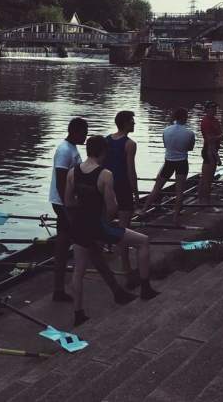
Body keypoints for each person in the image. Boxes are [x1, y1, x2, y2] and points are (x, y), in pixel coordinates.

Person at [65, 135, 157, 326]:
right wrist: (103, 221)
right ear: (102, 152)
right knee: (143, 241)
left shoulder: (72, 172)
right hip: (97, 226)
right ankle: (146, 289)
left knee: (78, 272)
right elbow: (112, 208)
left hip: (78, 227)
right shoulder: (105, 174)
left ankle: (78, 314)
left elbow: (68, 202)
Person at [49, 117, 88, 302]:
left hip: (67, 203)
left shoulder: (72, 148)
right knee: (66, 245)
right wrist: (68, 208)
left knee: (63, 246)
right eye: (84, 132)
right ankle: (59, 289)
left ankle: (58, 290)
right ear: (74, 131)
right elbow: (61, 182)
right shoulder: (64, 150)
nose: (86, 136)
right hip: (62, 203)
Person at [141, 107, 195, 225]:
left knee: (157, 188)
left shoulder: (166, 130)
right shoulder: (190, 133)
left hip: (168, 162)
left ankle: (143, 210)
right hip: (182, 163)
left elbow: (166, 145)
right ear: (184, 118)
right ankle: (175, 218)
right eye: (187, 117)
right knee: (180, 191)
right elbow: (190, 148)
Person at [104, 110, 140, 275]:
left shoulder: (106, 140)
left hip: (107, 187)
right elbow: (131, 171)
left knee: (103, 224)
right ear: (125, 123)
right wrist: (136, 192)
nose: (134, 124)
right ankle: (126, 268)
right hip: (123, 188)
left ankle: (100, 256)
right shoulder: (130, 144)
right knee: (125, 229)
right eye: (132, 121)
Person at [198, 101, 223, 205]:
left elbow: (219, 132)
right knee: (207, 179)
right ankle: (205, 202)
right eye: (212, 109)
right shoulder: (206, 121)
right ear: (207, 109)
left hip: (214, 149)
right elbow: (209, 140)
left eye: (215, 109)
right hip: (209, 150)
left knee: (207, 178)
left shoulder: (216, 120)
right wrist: (217, 157)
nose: (214, 110)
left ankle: (202, 200)